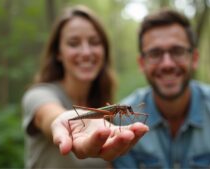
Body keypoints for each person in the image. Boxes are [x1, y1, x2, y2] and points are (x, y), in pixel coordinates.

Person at [112, 8, 210, 169]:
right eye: (155, 53)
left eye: (177, 51)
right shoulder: (122, 121)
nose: (167, 64)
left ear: (194, 59)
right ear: (142, 64)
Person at [22, 5, 149, 168]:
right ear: (58, 53)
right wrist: (63, 121)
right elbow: (48, 115)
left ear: (104, 50)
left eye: (95, 42)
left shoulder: (104, 100)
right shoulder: (39, 94)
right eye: (74, 43)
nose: (86, 52)